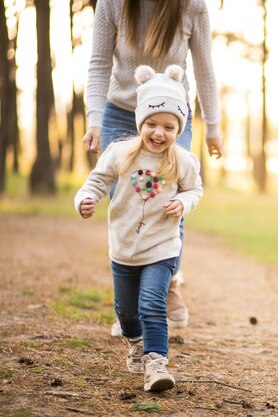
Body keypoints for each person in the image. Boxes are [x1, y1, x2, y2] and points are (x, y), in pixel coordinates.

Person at [81, 0, 223, 332]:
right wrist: (93, 119)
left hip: (172, 114)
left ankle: (168, 281)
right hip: (121, 110)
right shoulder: (113, 3)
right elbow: (100, 61)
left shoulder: (192, 6)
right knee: (125, 195)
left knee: (170, 195)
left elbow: (204, 68)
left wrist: (213, 127)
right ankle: (129, 300)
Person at [75, 65, 203, 391]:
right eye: (152, 124)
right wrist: (86, 199)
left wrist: (184, 203)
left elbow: (194, 190)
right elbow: (96, 182)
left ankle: (156, 363)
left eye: (169, 127)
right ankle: (135, 342)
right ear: (140, 122)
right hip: (123, 248)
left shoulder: (183, 161)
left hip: (161, 247)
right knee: (127, 312)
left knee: (151, 305)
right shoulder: (119, 153)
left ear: (180, 128)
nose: (159, 133)